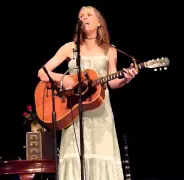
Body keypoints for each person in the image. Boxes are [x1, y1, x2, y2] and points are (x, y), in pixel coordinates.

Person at [37, 6, 137, 180]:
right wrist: (63, 79)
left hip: (101, 113)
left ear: (99, 22)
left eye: (89, 15)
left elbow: (112, 82)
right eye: (81, 16)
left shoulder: (110, 50)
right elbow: (42, 72)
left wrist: (125, 79)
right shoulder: (69, 48)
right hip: (74, 111)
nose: (84, 18)